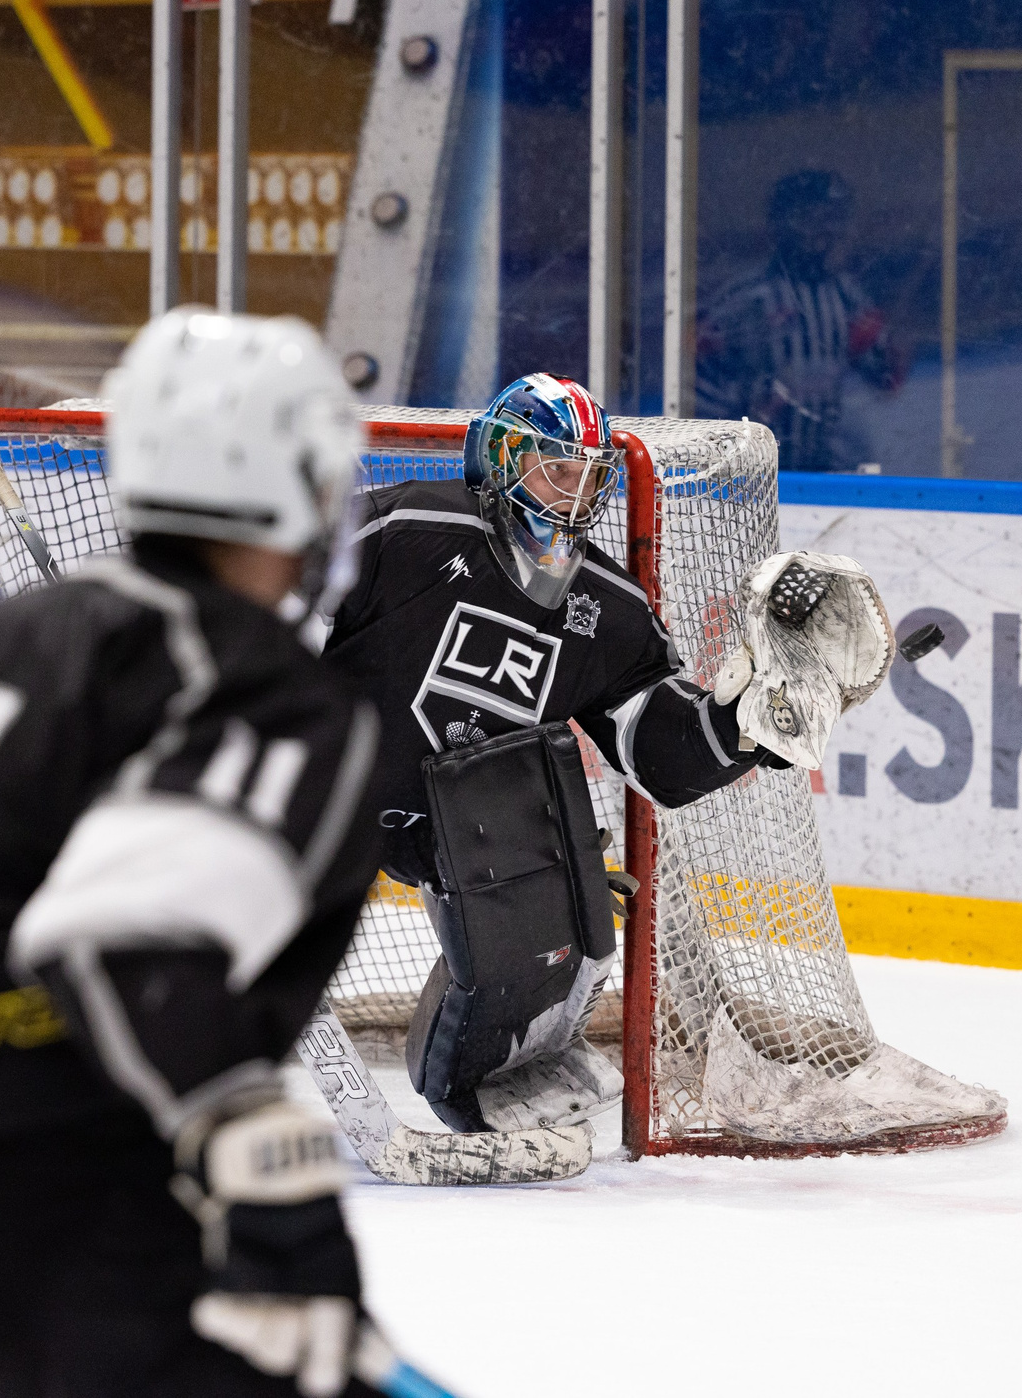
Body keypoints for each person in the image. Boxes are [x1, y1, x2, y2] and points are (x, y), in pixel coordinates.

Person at [0, 310, 428, 1397]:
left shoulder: (8, 633)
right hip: (30, 1217)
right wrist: (257, 1157)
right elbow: (118, 946)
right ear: (296, 483)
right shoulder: (259, 685)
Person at [318, 372, 871, 1138]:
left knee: (569, 858)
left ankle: (490, 1077)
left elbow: (661, 754)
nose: (573, 494)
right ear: (502, 460)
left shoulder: (607, 609)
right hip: (318, 789)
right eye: (554, 467)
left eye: (589, 476)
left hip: (448, 827)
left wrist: (747, 723)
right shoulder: (406, 528)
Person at [699, 168, 906, 471]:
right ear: (780, 226)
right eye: (807, 219)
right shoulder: (746, 298)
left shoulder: (847, 295)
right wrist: (748, 414)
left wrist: (894, 338)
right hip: (748, 469)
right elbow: (699, 383)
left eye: (829, 219)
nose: (820, 230)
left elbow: (885, 377)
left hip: (823, 467)